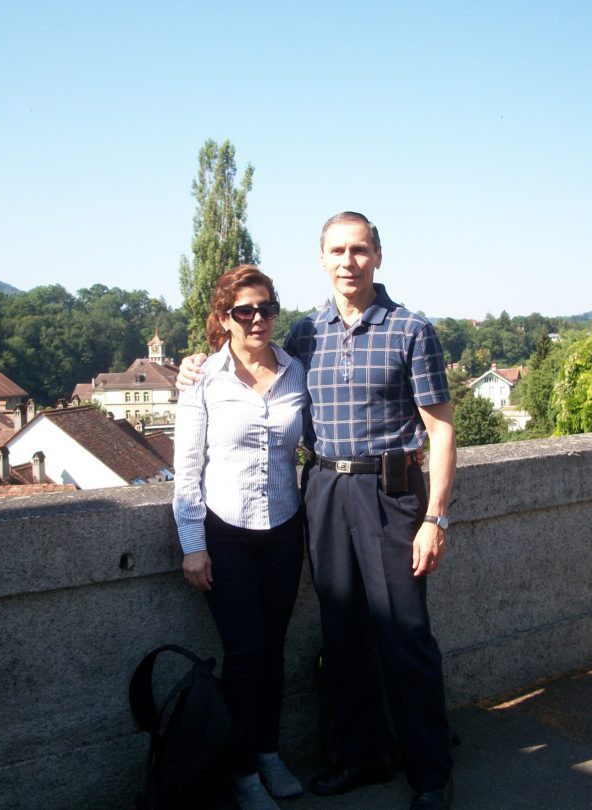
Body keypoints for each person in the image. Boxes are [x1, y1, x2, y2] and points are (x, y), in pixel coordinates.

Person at [179, 213, 456, 810]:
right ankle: (359, 757)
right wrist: (193, 367)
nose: (348, 261)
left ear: (378, 256)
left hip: (390, 492)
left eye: (359, 249)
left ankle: (431, 773)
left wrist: (435, 517)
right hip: (323, 491)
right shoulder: (305, 336)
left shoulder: (411, 330)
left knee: (405, 635)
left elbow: (441, 429)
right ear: (322, 259)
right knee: (343, 636)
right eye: (337, 250)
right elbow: (249, 365)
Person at [172, 264, 308, 810]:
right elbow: (186, 467)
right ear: (223, 318)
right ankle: (242, 770)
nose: (256, 320)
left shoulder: (298, 371)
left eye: (266, 309)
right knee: (245, 651)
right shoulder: (203, 378)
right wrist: (192, 543)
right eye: (243, 311)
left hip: (284, 526)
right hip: (224, 530)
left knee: (274, 649)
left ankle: (269, 752)